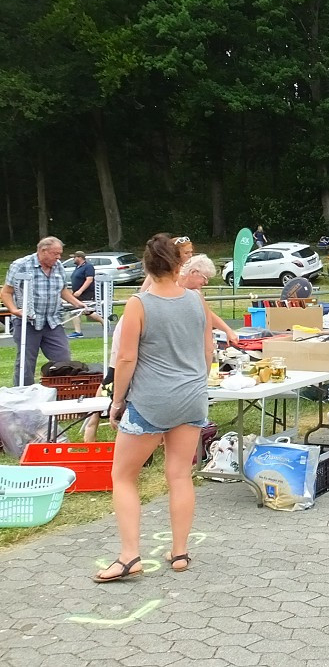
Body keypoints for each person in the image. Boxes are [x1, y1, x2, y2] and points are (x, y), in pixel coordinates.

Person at [93, 233, 213, 582]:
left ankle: (130, 556)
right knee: (179, 475)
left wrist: (117, 402)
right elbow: (207, 351)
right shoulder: (196, 300)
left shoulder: (139, 304)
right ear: (179, 265)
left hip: (152, 400)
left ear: (146, 266)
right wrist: (195, 383)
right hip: (192, 398)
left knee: (123, 476)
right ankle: (179, 551)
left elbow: (126, 358)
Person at [2, 237, 90, 386]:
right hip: (28, 322)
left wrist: (77, 303)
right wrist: (14, 310)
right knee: (26, 362)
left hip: (52, 322)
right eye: (55, 254)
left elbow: (62, 289)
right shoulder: (20, 265)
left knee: (64, 359)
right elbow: (6, 292)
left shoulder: (58, 267)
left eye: (59, 254)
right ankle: (23, 393)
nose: (58, 257)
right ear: (43, 251)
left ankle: (59, 392)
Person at [67, 251, 105, 338]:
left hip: (86, 293)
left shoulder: (88, 267)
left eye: (74, 257)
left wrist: (80, 291)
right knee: (76, 310)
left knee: (86, 311)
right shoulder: (77, 267)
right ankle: (78, 331)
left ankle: (103, 321)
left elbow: (89, 280)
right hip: (76, 293)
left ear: (79, 257)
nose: (73, 259)